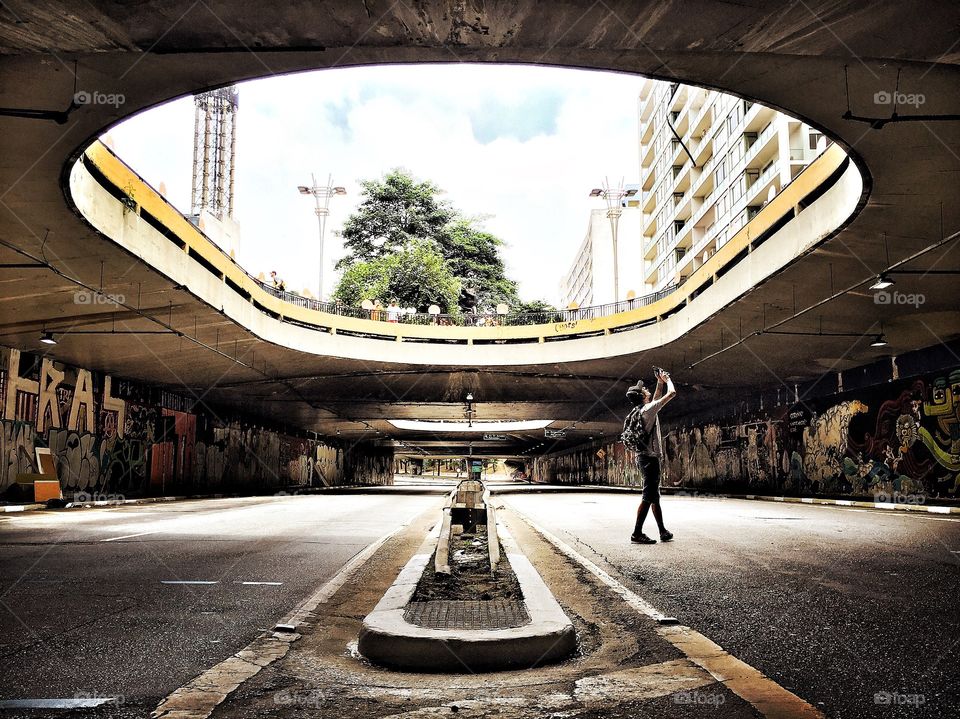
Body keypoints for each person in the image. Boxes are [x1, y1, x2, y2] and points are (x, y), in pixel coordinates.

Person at [621, 368, 677, 544]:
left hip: (644, 457)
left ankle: (662, 531)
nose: (647, 389)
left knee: (654, 495)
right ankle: (637, 533)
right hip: (650, 459)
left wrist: (659, 381)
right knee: (648, 495)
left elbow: (655, 399)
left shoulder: (642, 410)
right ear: (642, 396)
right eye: (644, 389)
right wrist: (667, 379)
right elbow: (672, 393)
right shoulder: (649, 410)